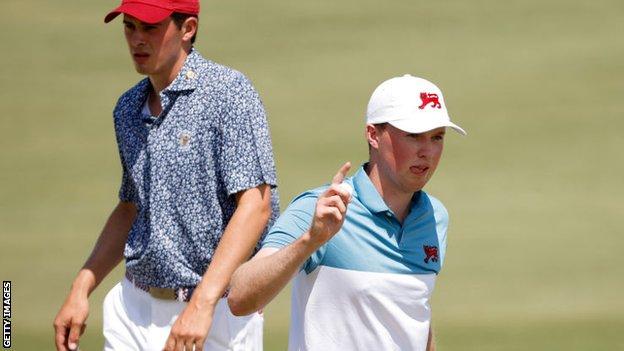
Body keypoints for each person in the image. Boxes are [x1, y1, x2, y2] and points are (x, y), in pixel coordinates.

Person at [53, 0, 279, 350]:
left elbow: (256, 206)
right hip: (133, 308)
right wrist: (81, 288)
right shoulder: (127, 108)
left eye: (151, 27)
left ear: (188, 29)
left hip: (214, 312)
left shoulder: (228, 93)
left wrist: (202, 304)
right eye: (129, 26)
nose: (137, 39)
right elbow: (130, 207)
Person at [228, 74, 466, 351]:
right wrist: (310, 241)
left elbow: (411, 313)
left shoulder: (435, 217)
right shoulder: (322, 208)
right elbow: (240, 297)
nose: (427, 151)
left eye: (437, 137)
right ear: (373, 135)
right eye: (413, 136)